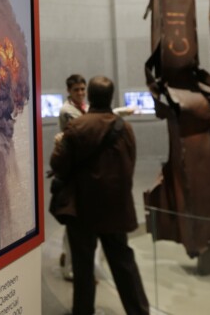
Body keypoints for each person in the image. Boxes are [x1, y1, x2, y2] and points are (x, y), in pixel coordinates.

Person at [50, 76, 150, 315]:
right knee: (124, 264)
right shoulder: (124, 128)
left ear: (90, 96)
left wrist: (57, 149)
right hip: (115, 209)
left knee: (83, 269)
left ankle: (83, 311)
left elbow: (60, 166)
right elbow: (130, 164)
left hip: (82, 209)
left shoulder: (77, 127)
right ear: (110, 97)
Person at [56, 73, 88, 280]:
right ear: (69, 91)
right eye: (76, 90)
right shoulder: (68, 111)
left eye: (83, 89)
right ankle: (69, 267)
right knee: (73, 221)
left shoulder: (84, 108)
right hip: (73, 173)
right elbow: (84, 132)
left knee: (79, 222)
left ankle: (70, 259)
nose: (81, 93)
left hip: (83, 172)